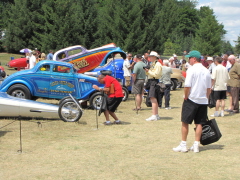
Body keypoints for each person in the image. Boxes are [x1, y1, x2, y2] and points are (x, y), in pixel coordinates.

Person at [173, 50, 211, 153]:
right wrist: (206, 98)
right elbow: (209, 88)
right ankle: (196, 144)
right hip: (203, 100)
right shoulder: (206, 70)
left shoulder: (191, 70)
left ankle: (183, 144)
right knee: (199, 123)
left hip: (192, 99)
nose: (188, 59)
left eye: (189, 58)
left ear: (194, 59)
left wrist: (186, 96)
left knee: (185, 121)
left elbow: (187, 86)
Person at [144, 51, 162, 121]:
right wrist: (147, 71)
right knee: (153, 98)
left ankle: (154, 115)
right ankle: (156, 114)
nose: (149, 58)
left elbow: (156, 74)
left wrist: (148, 71)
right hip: (152, 81)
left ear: (155, 57)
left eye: (151, 56)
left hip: (154, 81)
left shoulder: (157, 64)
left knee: (152, 98)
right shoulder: (153, 64)